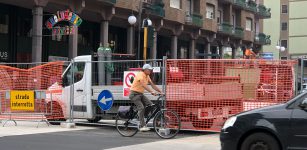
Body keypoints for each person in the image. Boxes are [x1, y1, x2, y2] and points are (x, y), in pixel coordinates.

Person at [129, 64, 163, 132]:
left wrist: (161, 92)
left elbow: (152, 85)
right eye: (149, 69)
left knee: (151, 105)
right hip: (134, 94)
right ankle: (142, 125)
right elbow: (143, 85)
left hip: (140, 94)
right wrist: (151, 92)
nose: (150, 71)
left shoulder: (147, 76)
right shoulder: (140, 74)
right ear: (145, 70)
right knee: (141, 107)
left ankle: (142, 117)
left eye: (151, 69)